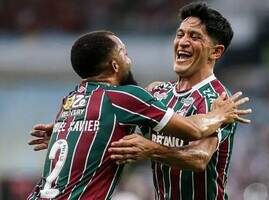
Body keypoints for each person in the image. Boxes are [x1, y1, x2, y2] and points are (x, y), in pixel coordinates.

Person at [27, 30, 251, 200]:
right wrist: (220, 114)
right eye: (124, 53)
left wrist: (65, 133)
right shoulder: (124, 97)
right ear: (115, 65)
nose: (129, 59)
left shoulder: (69, 102)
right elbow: (195, 129)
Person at [108, 2, 242, 200]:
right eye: (180, 35)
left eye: (194, 36)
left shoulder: (219, 101)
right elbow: (115, 127)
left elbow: (199, 158)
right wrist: (67, 128)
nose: (183, 42)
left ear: (216, 52)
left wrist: (151, 149)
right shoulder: (158, 92)